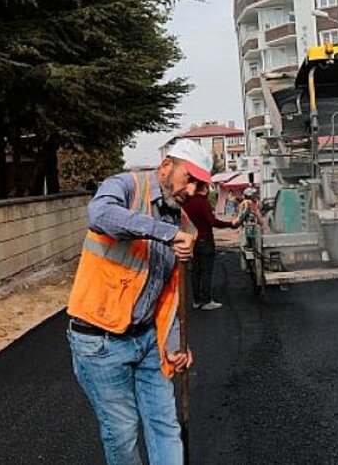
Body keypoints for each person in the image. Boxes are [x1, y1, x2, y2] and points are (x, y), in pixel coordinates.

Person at [66, 140, 211, 465]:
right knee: (123, 431)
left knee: (165, 425)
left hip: (147, 341)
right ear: (166, 167)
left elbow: (169, 294)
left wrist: (174, 343)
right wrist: (165, 233)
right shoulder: (126, 187)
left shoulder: (184, 225)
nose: (193, 190)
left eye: (201, 185)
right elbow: (99, 214)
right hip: (99, 341)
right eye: (189, 178)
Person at [182, 182, 240, 311]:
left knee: (195, 272)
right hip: (206, 240)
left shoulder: (187, 203)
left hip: (192, 241)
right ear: (205, 189)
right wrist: (231, 224)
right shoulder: (203, 202)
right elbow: (212, 221)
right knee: (206, 271)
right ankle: (206, 300)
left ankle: (196, 301)